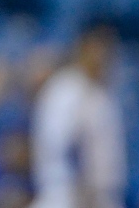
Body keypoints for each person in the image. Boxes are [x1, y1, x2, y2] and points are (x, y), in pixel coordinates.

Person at [29, 24, 126, 208]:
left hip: (100, 197)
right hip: (66, 194)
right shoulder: (65, 90)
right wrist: (82, 189)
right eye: (97, 50)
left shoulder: (103, 95)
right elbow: (63, 145)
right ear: (82, 50)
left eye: (107, 52)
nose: (102, 58)